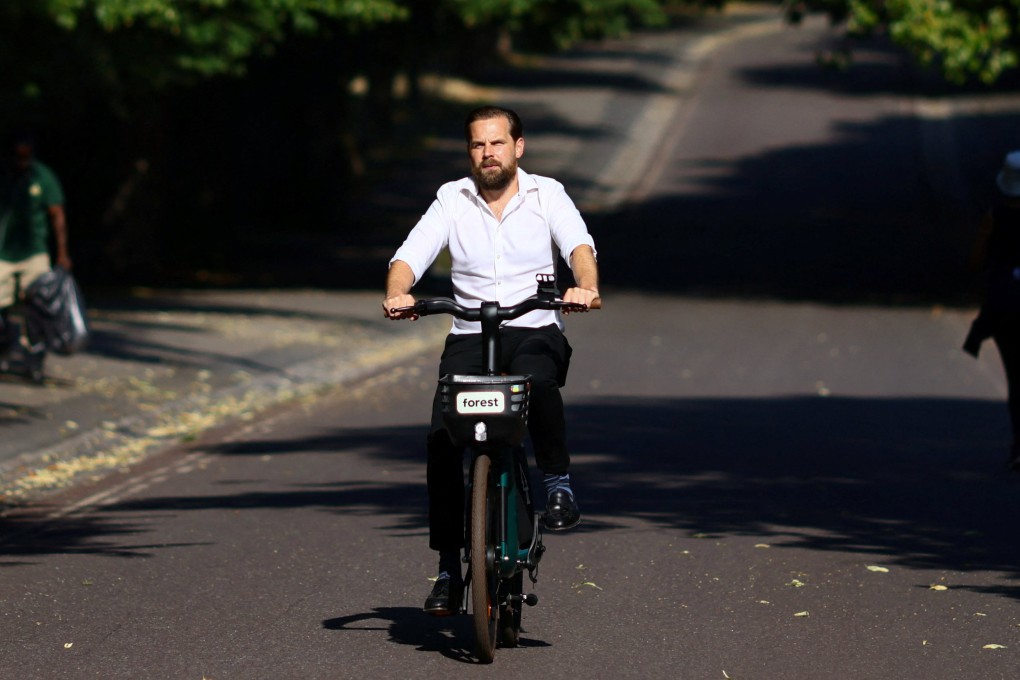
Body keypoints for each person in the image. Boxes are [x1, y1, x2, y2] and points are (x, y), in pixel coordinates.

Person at [382, 106, 600, 615]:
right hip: (470, 333)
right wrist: (399, 293)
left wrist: (584, 287)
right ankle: (447, 568)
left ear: (518, 147)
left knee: (539, 384)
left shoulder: (548, 194)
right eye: (479, 146)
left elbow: (578, 244)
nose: (488, 154)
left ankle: (557, 482)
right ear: (470, 153)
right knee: (442, 437)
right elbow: (408, 256)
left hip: (535, 326)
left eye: (498, 143)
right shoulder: (451, 199)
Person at [0, 134, 72, 383]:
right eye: (16, 157)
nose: (21, 162)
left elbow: (57, 214)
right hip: (4, 254)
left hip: (34, 253)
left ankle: (34, 363)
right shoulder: (4, 176)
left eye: (25, 157)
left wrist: (62, 253)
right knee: (2, 307)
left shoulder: (43, 176)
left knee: (36, 309)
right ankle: (5, 346)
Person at [964, 150, 1020, 470]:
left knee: (1016, 376)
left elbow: (976, 261)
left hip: (1005, 307)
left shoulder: (994, 218)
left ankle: (1019, 441)